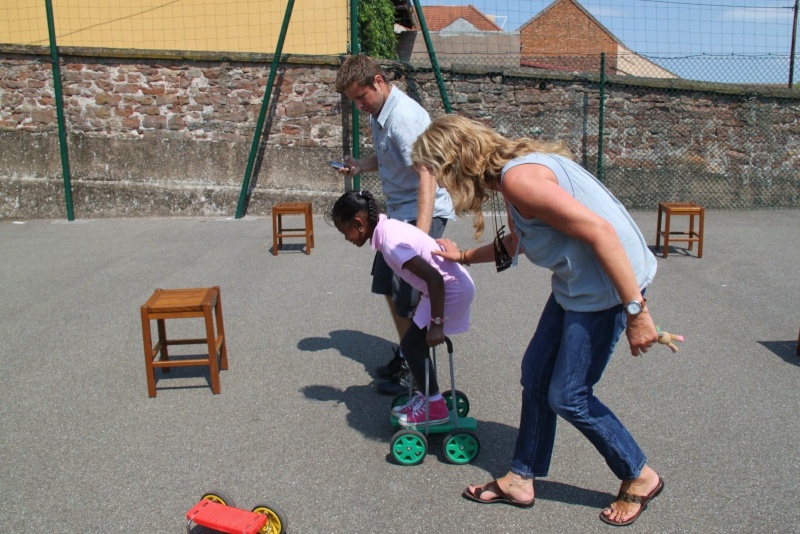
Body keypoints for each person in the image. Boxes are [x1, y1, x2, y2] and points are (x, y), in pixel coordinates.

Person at [412, 114, 663, 526]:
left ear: (457, 164)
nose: (439, 184)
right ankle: (521, 478)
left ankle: (639, 475)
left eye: (438, 172)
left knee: (569, 395)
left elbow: (601, 232)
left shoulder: (519, 179)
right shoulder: (512, 180)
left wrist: (637, 312)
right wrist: (462, 257)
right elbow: (519, 242)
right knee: (535, 374)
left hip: (606, 291)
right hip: (576, 285)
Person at [334, 55, 455, 395]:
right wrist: (359, 166)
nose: (359, 106)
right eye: (353, 101)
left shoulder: (402, 118)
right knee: (388, 283)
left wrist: (420, 234)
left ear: (378, 81)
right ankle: (409, 353)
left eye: (361, 97)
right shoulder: (379, 112)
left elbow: (427, 174)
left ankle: (421, 380)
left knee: (407, 292)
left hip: (421, 212)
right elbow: (391, 158)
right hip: (402, 213)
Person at [328, 190, 474, 426]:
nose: (346, 238)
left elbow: (435, 279)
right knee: (412, 344)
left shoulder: (391, 242)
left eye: (345, 232)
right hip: (438, 290)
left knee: (411, 345)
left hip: (449, 290)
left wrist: (436, 325)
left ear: (359, 223)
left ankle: (434, 406)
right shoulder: (388, 231)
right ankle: (429, 398)